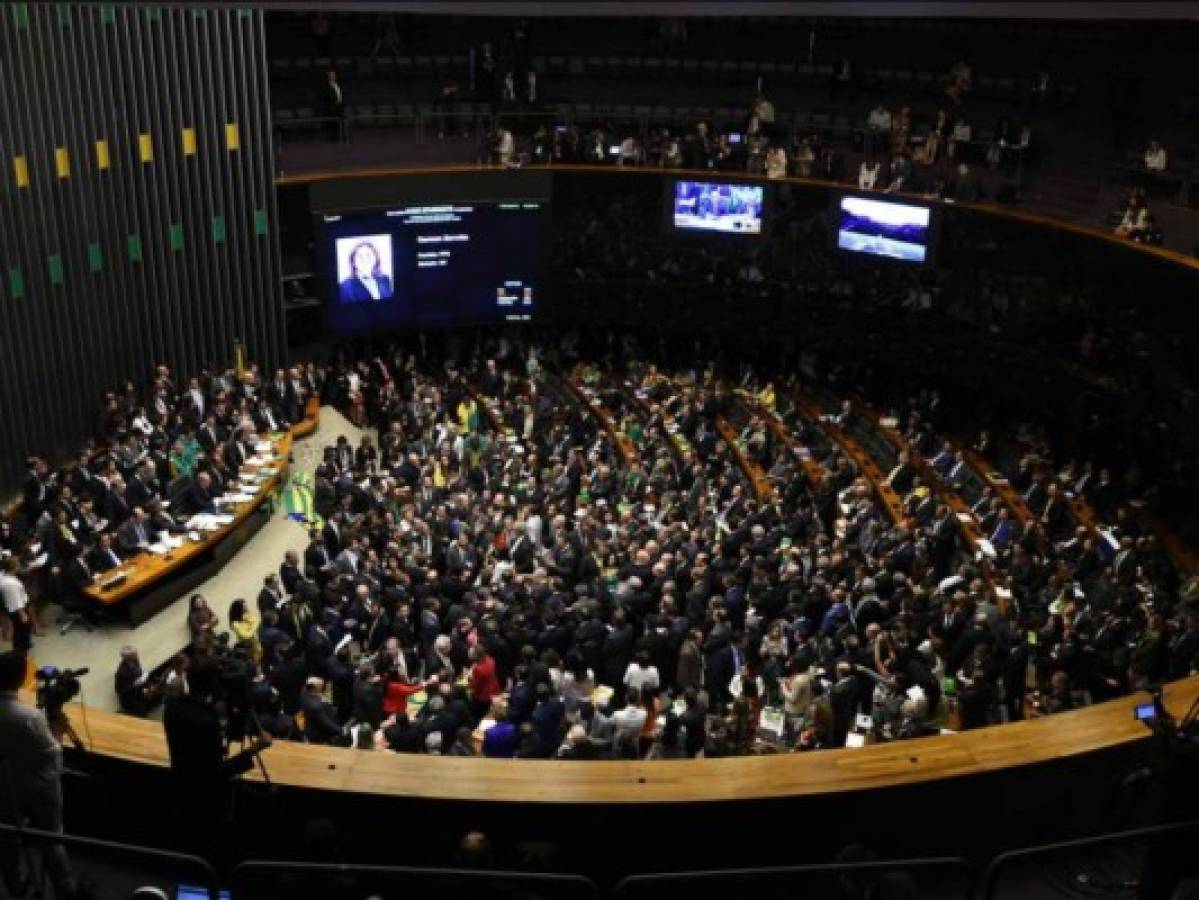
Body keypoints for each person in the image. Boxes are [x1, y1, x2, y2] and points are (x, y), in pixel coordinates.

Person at [162, 657, 271, 866]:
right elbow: (216, 772)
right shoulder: (207, 721)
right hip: (207, 800)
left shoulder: (172, 707)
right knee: (212, 845)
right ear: (214, 685)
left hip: (180, 786)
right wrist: (256, 748)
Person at [0, 651, 78, 899]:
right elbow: (53, 754)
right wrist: (55, 728)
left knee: (7, 838)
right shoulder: (29, 717)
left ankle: (16, 886)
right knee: (52, 838)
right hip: (41, 785)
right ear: (22, 678)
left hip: (5, 785)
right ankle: (65, 888)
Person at [115, 646, 160, 717]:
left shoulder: (135, 661)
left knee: (144, 710)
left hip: (139, 694)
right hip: (132, 700)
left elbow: (139, 674)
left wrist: (148, 686)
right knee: (140, 714)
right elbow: (119, 690)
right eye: (135, 654)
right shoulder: (122, 672)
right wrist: (134, 685)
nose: (137, 655)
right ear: (128, 658)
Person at [0, 558, 32, 653]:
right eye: (17, 564)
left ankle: (22, 648)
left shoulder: (6, 577)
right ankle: (21, 652)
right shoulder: (10, 584)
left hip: (17, 610)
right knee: (21, 633)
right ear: (13, 567)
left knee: (20, 631)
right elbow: (16, 601)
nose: (19, 566)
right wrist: (23, 614)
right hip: (19, 611)